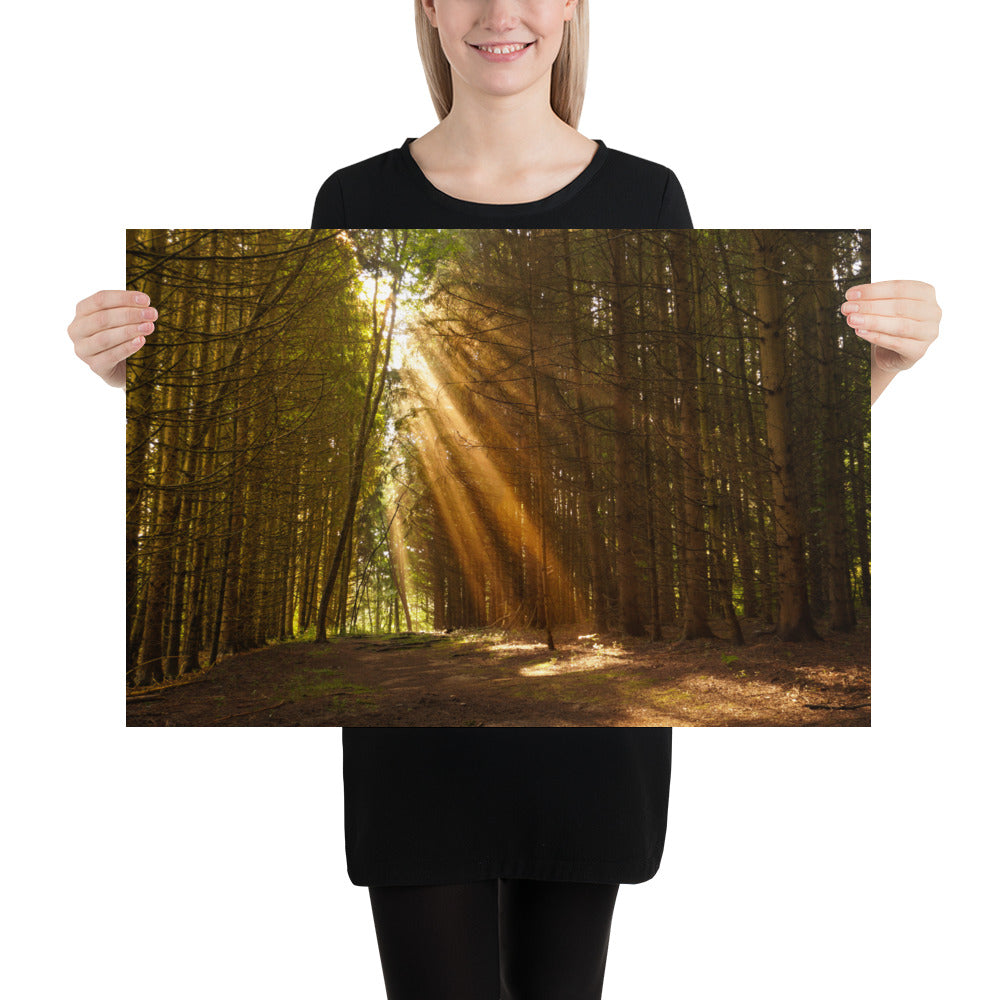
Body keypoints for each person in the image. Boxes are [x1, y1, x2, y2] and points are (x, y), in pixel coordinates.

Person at [67, 2, 940, 997]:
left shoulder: (648, 195)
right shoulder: (352, 195)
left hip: (592, 745)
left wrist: (879, 373)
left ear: (571, 5)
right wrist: (135, 384)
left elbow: (696, 439)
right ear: (429, 10)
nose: (500, 12)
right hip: (416, 759)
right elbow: (315, 412)